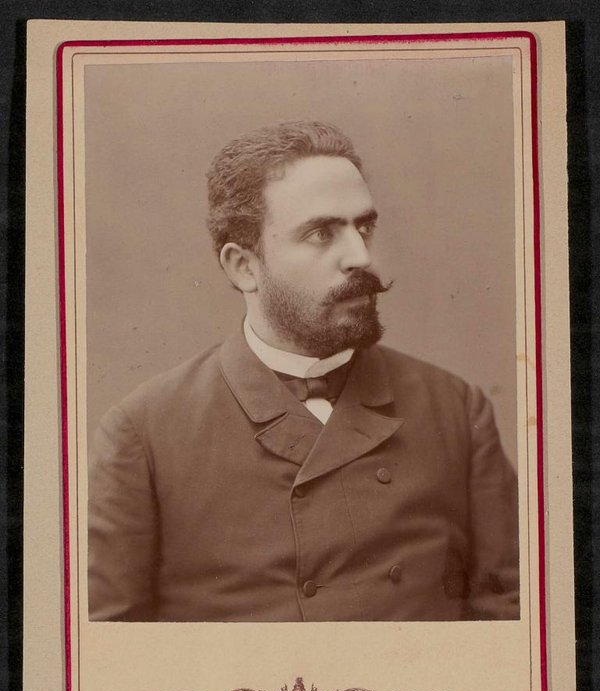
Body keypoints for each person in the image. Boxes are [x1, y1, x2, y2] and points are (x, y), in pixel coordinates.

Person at [88, 120, 519, 623]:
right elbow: (110, 647)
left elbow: (511, 614)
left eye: (364, 227)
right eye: (321, 234)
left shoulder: (456, 409)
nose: (361, 257)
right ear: (243, 266)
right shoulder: (144, 433)